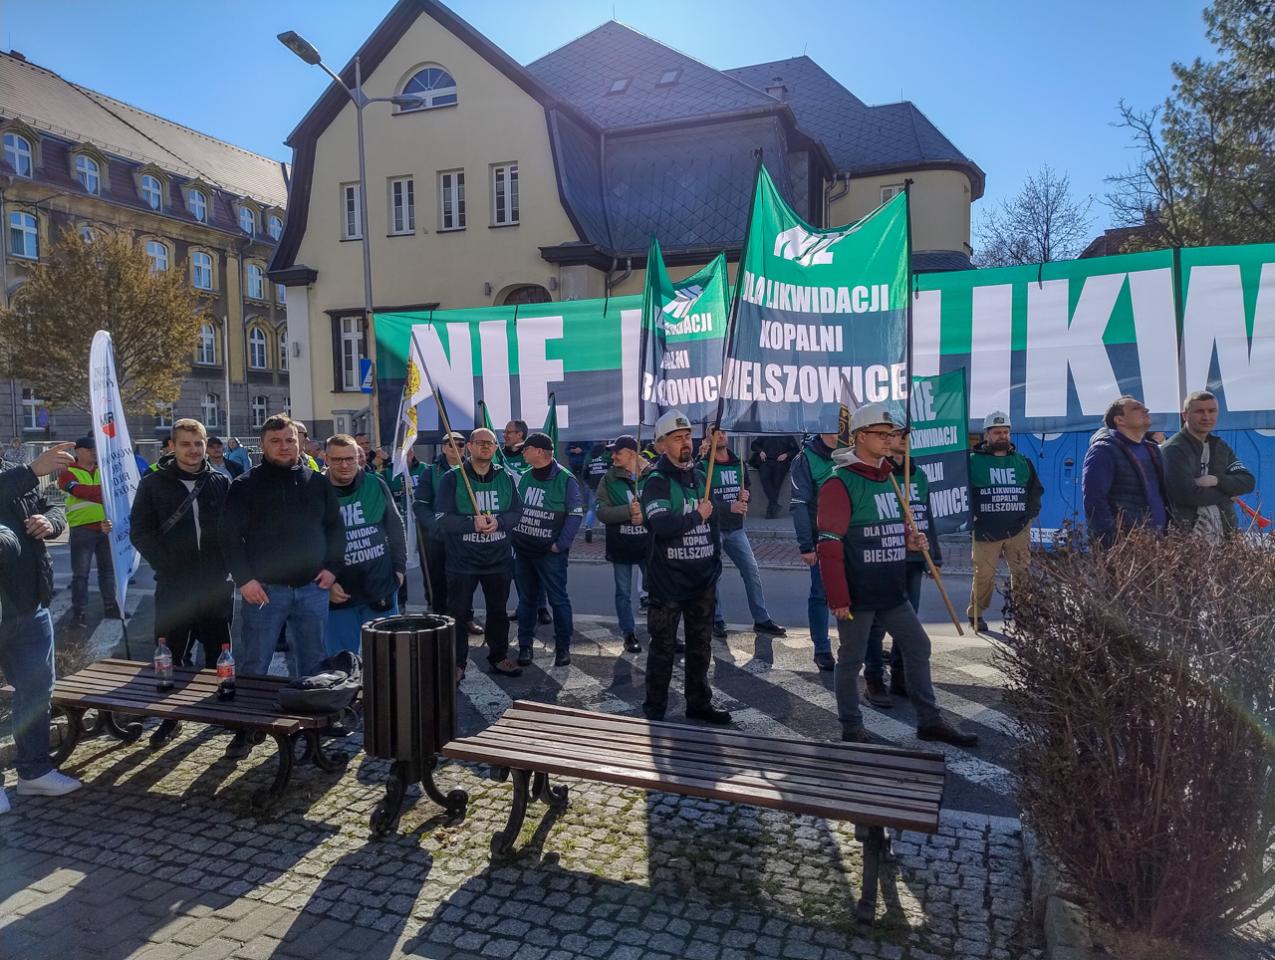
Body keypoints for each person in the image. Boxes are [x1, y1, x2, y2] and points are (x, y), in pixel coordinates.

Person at [816, 403, 978, 747]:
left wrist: (909, 539)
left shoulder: (888, 475)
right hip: (858, 593)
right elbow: (828, 548)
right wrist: (838, 599)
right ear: (861, 437)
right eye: (883, 434)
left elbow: (891, 525)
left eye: (892, 434)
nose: (891, 440)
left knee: (919, 645)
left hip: (891, 588)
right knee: (851, 659)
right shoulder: (839, 482)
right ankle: (850, 726)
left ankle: (930, 720)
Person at [221, 415, 344, 757]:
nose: (285, 446)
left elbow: (335, 528)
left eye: (290, 440)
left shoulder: (316, 482)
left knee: (313, 662)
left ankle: (311, 728)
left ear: (300, 442)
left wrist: (333, 569)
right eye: (276, 441)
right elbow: (230, 538)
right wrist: (244, 580)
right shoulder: (245, 485)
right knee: (255, 662)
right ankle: (247, 729)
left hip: (312, 589)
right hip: (264, 591)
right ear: (262, 444)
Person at [0, 443, 82, 810]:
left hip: (31, 603)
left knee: (36, 690)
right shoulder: (23, 470)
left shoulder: (12, 465)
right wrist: (33, 470)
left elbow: (53, 503)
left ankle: (33, 772)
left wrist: (51, 522)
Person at [641, 409, 730, 725]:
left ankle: (699, 704)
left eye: (687, 437)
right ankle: (655, 709)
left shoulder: (699, 476)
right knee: (663, 649)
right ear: (662, 443)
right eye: (677, 438)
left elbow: (715, 523)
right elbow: (662, 525)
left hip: (702, 580)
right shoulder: (655, 481)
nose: (685, 443)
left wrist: (715, 562)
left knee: (700, 648)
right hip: (668, 584)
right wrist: (697, 516)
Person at [130, 419, 234, 674]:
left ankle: (215, 710)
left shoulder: (220, 481)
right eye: (185, 444)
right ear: (172, 446)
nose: (193, 450)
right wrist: (165, 563)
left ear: (206, 445)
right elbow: (140, 531)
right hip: (174, 585)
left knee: (218, 658)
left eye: (199, 443)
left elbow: (232, 530)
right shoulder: (153, 483)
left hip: (215, 586)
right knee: (170, 656)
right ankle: (168, 713)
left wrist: (225, 566)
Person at [435, 426, 524, 679]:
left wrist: (500, 521)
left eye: (491, 443)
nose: (486, 447)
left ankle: (499, 656)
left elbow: (517, 512)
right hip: (462, 562)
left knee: (498, 612)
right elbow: (441, 517)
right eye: (480, 442)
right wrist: (470, 523)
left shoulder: (505, 477)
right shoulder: (453, 478)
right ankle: (457, 663)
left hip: (498, 561)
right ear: (470, 447)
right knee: (458, 614)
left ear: (496, 448)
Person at [862, 429, 943, 707]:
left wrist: (935, 556)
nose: (902, 439)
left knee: (908, 621)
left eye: (906, 436)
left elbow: (926, 516)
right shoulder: (878, 473)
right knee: (876, 624)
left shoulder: (918, 475)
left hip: (914, 559)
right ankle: (873, 677)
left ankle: (899, 675)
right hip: (885, 557)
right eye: (897, 435)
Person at [324, 434, 406, 655]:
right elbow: (308, 542)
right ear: (326, 459)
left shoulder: (375, 484)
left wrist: (399, 569)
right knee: (341, 664)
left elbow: (396, 527)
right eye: (337, 459)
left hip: (380, 586)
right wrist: (325, 583)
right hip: (338, 593)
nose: (344, 465)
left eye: (350, 458)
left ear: (358, 458)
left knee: (388, 658)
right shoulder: (317, 490)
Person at [702, 427, 786, 640]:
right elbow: (703, 501)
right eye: (715, 433)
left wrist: (745, 496)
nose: (721, 436)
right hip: (714, 529)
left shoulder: (738, 462)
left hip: (736, 529)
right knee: (714, 576)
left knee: (751, 571)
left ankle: (761, 619)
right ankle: (716, 619)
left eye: (723, 432)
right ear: (707, 439)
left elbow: (745, 489)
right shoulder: (703, 467)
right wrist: (730, 507)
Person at [511, 432, 583, 667]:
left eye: (526, 449)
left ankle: (563, 648)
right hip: (524, 551)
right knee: (527, 600)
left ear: (539, 452)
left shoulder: (565, 479)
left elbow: (574, 515)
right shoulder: (524, 477)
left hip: (550, 553)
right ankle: (525, 647)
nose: (522, 453)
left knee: (558, 599)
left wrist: (559, 545)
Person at [967, 411, 1043, 632]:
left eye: (1006, 432)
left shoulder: (1023, 462)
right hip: (985, 529)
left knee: (1022, 573)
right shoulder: (971, 462)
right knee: (984, 574)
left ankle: (1023, 614)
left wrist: (1029, 515)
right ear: (987, 435)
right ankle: (976, 614)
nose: (1002, 436)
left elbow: (1035, 491)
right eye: (997, 432)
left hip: (1019, 529)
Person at [1160, 390, 1255, 538]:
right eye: (1199, 411)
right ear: (1185, 415)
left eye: (1212, 411)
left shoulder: (1220, 446)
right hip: (1188, 537)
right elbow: (1186, 495)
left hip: (1225, 533)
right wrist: (1228, 493)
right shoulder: (1173, 449)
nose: (1206, 417)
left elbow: (1248, 482)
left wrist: (1217, 480)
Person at [1082, 396, 1171, 547]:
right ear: (1119, 420)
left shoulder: (1152, 450)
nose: (1146, 410)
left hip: (1158, 544)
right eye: (1136, 408)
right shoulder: (1104, 451)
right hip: (1125, 545)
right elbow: (1094, 499)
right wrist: (1113, 540)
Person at [415, 433, 481, 632]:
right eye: (451, 444)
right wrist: (436, 526)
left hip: (465, 537)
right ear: (443, 447)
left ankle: (466, 618)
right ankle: (440, 621)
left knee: (466, 581)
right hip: (438, 539)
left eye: (460, 444)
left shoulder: (473, 469)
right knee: (438, 581)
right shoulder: (431, 472)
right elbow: (420, 505)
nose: (456, 448)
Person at [595, 435, 649, 653]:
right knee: (623, 592)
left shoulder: (651, 475)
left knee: (657, 590)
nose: (613, 455)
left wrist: (643, 514)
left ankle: (661, 631)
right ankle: (628, 633)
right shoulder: (608, 479)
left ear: (632, 454)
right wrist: (627, 511)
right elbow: (601, 511)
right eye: (612, 451)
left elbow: (663, 506)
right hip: (621, 545)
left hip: (649, 545)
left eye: (618, 451)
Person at [790, 431, 839, 671]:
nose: (837, 436)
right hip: (822, 540)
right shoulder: (805, 459)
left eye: (841, 430)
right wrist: (806, 545)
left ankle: (859, 644)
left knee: (856, 594)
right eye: (831, 431)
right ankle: (822, 648)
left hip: (849, 539)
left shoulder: (848, 453)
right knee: (821, 594)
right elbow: (799, 504)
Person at [58, 436, 119, 626]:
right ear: (78, 451)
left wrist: (100, 491)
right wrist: (105, 492)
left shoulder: (104, 469)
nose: (94, 451)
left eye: (95, 448)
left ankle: (111, 606)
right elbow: (79, 492)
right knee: (80, 575)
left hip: (106, 527)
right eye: (89, 448)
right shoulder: (67, 473)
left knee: (107, 571)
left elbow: (113, 491)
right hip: (82, 530)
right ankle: (79, 612)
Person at [750, 434, 800, 519]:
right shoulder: (766, 433)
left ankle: (771, 511)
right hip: (766, 462)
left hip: (781, 463)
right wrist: (760, 451)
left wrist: (786, 454)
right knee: (764, 479)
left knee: (776, 485)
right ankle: (774, 505)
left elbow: (796, 450)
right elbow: (754, 445)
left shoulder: (787, 435)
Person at [580, 441, 610, 543]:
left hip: (593, 484)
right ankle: (608, 530)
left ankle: (588, 527)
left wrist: (588, 482)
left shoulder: (589, 455)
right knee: (607, 507)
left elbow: (585, 471)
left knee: (591, 509)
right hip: (606, 484)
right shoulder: (607, 453)